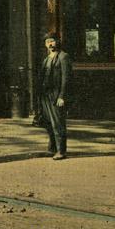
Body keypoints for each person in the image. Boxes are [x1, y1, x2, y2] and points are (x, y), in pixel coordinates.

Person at [38, 32, 72, 160]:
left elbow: (66, 78)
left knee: (58, 123)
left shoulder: (63, 57)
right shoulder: (46, 59)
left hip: (56, 96)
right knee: (48, 123)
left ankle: (61, 151)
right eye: (47, 42)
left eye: (52, 41)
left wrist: (62, 96)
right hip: (46, 96)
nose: (50, 44)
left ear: (58, 41)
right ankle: (52, 149)